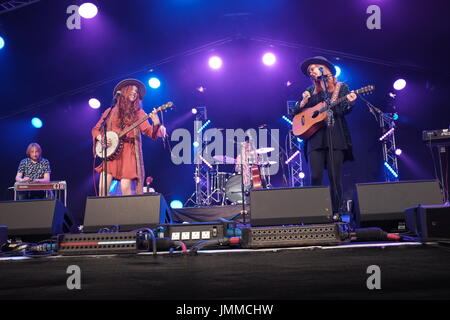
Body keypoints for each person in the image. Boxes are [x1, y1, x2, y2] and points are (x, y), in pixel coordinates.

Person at [293, 56, 357, 216]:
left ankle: (336, 212)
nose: (312, 72)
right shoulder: (309, 91)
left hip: (335, 136)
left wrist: (349, 102)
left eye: (314, 68)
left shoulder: (340, 88)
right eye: (309, 71)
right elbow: (296, 115)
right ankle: (315, 212)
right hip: (315, 139)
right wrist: (301, 103)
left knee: (335, 177)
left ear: (324, 68)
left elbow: (342, 110)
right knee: (315, 176)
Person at [92, 79, 165, 196]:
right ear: (124, 91)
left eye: (136, 91)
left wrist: (156, 123)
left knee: (125, 188)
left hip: (128, 152)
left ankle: (127, 213)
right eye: (132, 89)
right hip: (111, 152)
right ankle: (105, 213)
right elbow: (95, 130)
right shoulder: (110, 112)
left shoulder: (139, 113)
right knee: (102, 188)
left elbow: (149, 132)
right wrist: (101, 138)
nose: (135, 93)